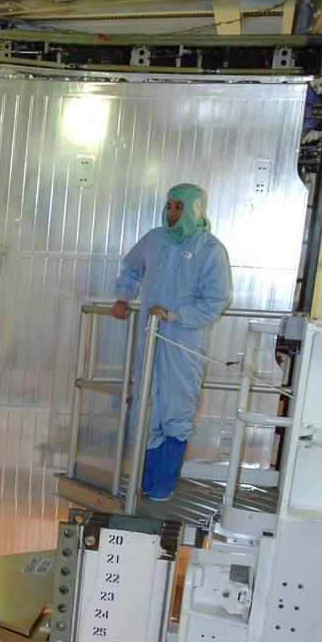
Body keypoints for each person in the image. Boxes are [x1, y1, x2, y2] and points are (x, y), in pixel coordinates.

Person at [111, 183, 232, 501]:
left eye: (179, 207)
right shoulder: (154, 240)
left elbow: (216, 300)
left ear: (195, 210)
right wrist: (123, 297)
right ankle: (145, 481)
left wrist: (175, 315)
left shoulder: (210, 250)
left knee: (176, 414)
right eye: (169, 206)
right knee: (144, 410)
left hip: (182, 346)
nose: (173, 213)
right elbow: (130, 266)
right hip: (148, 340)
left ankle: (164, 483)